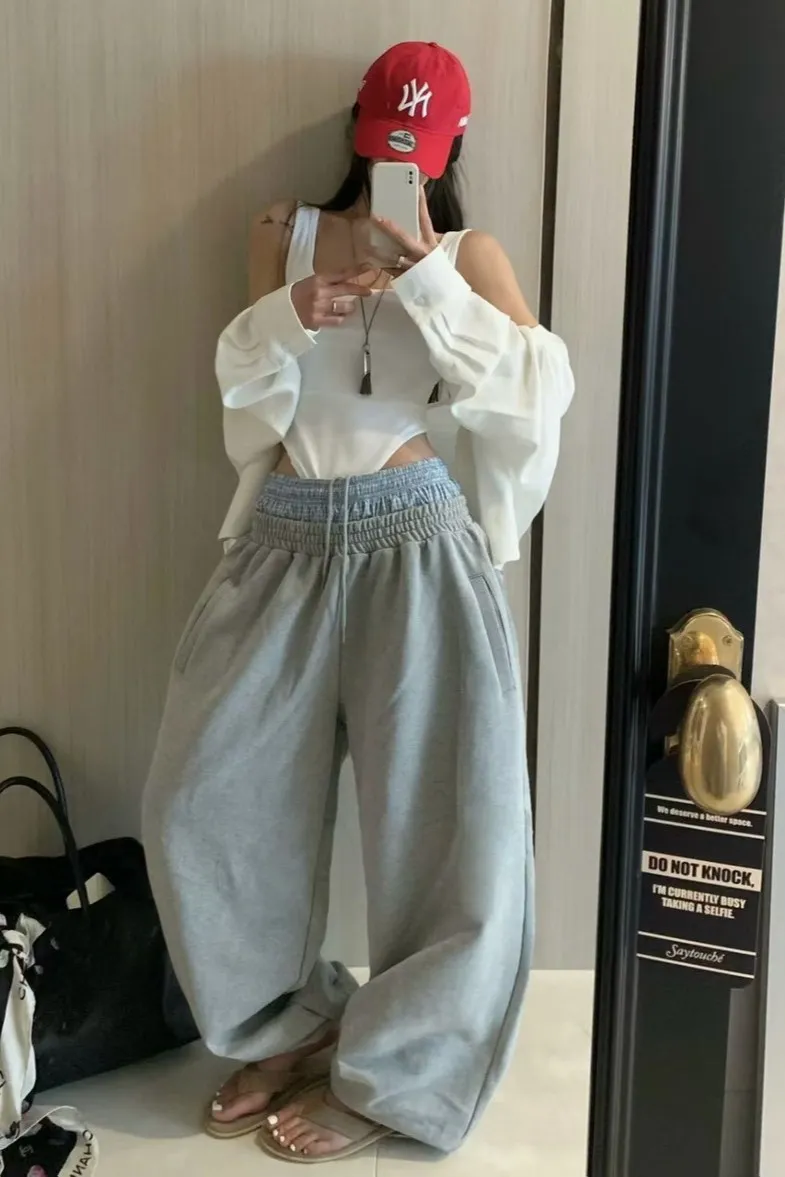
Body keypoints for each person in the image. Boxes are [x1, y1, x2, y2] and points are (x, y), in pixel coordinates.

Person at [142, 40, 574, 1164]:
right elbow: (246, 396)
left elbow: (535, 393)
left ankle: (404, 1071)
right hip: (281, 541)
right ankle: (292, 1026)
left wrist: (430, 282)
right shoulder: (278, 231)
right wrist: (292, 311)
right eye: (386, 145)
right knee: (199, 802)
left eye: (418, 153)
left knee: (450, 828)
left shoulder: (469, 253)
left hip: (416, 540)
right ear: (356, 130)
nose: (399, 166)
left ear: (450, 146)